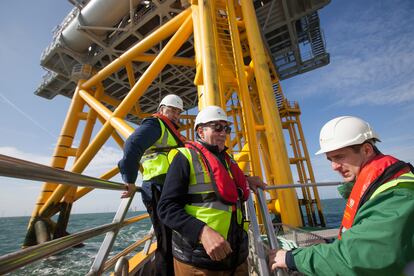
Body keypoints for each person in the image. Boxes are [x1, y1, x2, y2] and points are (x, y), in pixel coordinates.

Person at [271, 116, 414, 276]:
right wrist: (330, 245)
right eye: (330, 159)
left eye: (339, 157)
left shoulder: (398, 193)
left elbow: (361, 257)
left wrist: (291, 258)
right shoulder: (383, 183)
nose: (334, 166)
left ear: (366, 150)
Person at [158, 105, 265, 275]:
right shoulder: (185, 158)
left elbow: (220, 182)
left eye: (226, 128)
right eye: (217, 127)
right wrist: (202, 232)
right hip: (200, 262)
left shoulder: (227, 161)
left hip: (236, 257)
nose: (223, 133)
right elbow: (166, 208)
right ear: (200, 132)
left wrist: (246, 179)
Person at [119, 94, 186, 276]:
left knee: (174, 238)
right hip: (158, 187)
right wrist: (130, 180)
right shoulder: (155, 125)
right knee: (166, 240)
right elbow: (132, 146)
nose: (175, 115)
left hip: (170, 188)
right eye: (171, 110)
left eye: (178, 112)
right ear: (161, 109)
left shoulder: (170, 131)